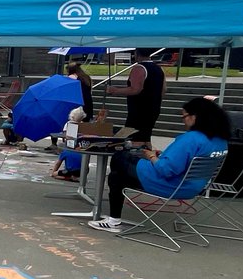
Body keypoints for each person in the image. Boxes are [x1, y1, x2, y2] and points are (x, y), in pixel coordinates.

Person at [89, 97, 231, 233]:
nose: (184, 121)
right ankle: (115, 212)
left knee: (119, 160)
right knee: (119, 173)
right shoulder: (221, 140)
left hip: (169, 185)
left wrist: (151, 156)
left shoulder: (191, 139)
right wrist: (160, 156)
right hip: (194, 187)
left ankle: (114, 219)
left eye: (184, 117)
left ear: (194, 117)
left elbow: (166, 169)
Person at [105, 48, 166, 142]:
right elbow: (164, 89)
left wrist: (115, 90)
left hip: (139, 109)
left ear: (137, 53)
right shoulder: (159, 68)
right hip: (154, 108)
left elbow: (135, 89)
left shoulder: (139, 68)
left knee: (133, 137)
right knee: (146, 136)